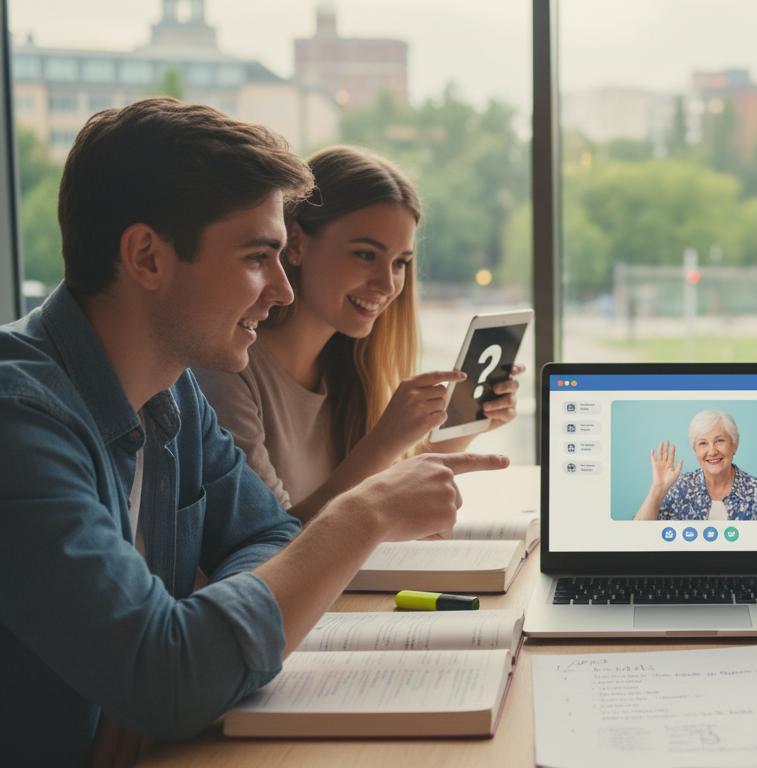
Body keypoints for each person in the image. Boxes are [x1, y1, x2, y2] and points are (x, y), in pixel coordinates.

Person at [0, 99, 506, 765]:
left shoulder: (171, 385)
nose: (282, 291)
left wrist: (182, 652)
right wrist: (362, 514)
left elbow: (269, 535)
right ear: (147, 257)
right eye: (257, 257)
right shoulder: (19, 420)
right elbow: (169, 681)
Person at [196, 146, 521, 523]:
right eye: (366, 255)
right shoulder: (230, 371)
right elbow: (275, 549)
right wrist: (383, 443)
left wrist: (464, 420)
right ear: (297, 243)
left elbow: (385, 494)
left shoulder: (348, 370)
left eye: (400, 262)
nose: (386, 283)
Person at [633, 409, 757, 521]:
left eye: (719, 441)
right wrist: (657, 490)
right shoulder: (679, 487)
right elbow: (636, 537)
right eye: (703, 443)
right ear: (695, 450)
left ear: (734, 445)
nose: (712, 451)